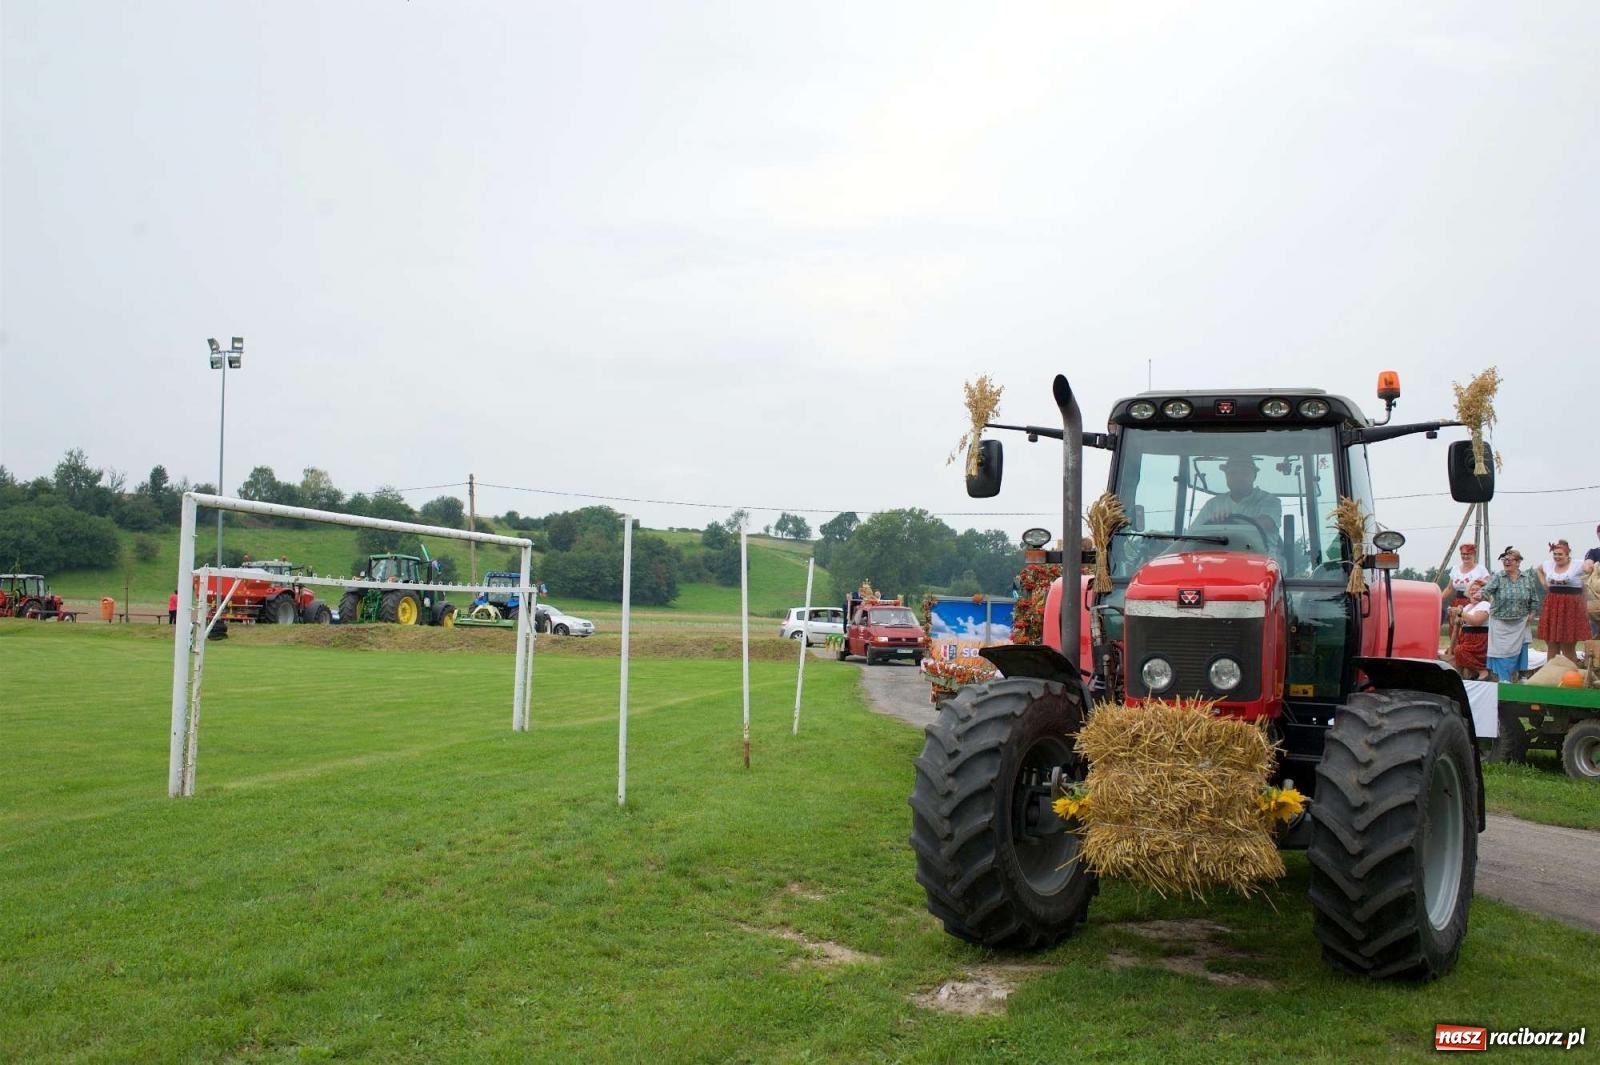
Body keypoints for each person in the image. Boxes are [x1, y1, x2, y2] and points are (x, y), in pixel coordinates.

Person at [1481, 547, 1543, 683]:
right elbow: (1486, 590)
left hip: (1521, 621)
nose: (1506, 562)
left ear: (1518, 562)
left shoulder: (1527, 578)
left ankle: (1522, 676)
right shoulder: (1498, 577)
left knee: (1523, 647)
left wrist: (1532, 613)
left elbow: (1534, 599)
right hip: (1500, 622)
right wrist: (1478, 595)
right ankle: (1504, 678)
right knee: (1501, 652)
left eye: (1510, 560)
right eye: (1504, 560)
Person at [1193, 456, 1283, 548]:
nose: (1238, 477)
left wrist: (1224, 522)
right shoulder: (1212, 504)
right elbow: (1192, 535)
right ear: (1226, 476)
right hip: (1217, 558)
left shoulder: (1269, 501)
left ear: (1254, 476)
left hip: (1260, 559)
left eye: (1244, 473)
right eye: (1232, 473)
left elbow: (1262, 525)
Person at [1535, 539, 1587, 665]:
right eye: (1555, 554)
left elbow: (1591, 570)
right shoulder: (1548, 564)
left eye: (1560, 554)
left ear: (1567, 555)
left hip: (1571, 604)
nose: (1557, 557)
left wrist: (1586, 594)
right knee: (1552, 643)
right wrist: (1544, 583)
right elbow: (1538, 569)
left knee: (1567, 645)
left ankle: (1571, 676)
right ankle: (1551, 675)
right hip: (1552, 603)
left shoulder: (1578, 564)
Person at [1445, 543, 1488, 657]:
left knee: (1465, 630)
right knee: (1453, 628)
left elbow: (1489, 587)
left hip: (1473, 602)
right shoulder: (1455, 568)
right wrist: (1436, 599)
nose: (1465, 556)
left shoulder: (1481, 569)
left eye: (1468, 554)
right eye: (1463, 554)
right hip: (1457, 601)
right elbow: (1449, 588)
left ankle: (1467, 653)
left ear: (1474, 554)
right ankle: (1454, 653)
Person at [1452, 580, 1491, 680]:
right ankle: (1462, 676)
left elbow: (1476, 621)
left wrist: (1461, 613)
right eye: (1472, 590)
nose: (1474, 592)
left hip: (1478, 639)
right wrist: (1455, 614)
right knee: (1455, 651)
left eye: (1477, 590)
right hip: (1466, 637)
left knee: (1459, 650)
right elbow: (1457, 622)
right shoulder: (1468, 606)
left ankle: (1482, 671)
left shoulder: (1485, 604)